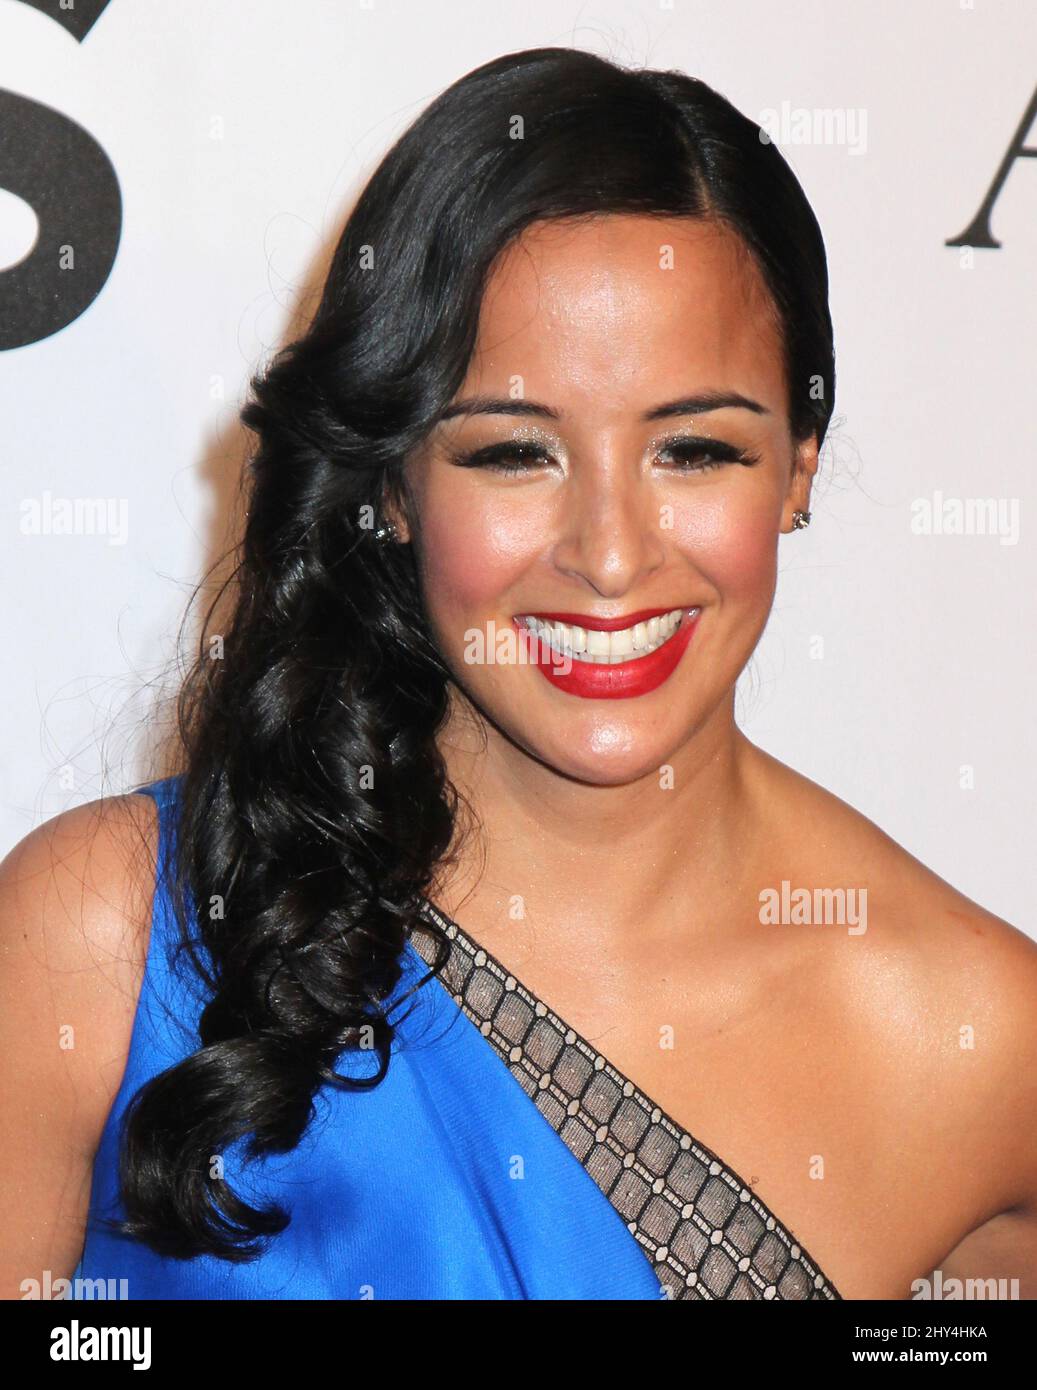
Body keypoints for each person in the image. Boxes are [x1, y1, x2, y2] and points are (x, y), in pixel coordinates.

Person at [2, 46, 1035, 1303]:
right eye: (512, 453)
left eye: (695, 448)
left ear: (798, 466)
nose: (609, 556)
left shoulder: (975, 1038)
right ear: (390, 482)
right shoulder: (108, 933)